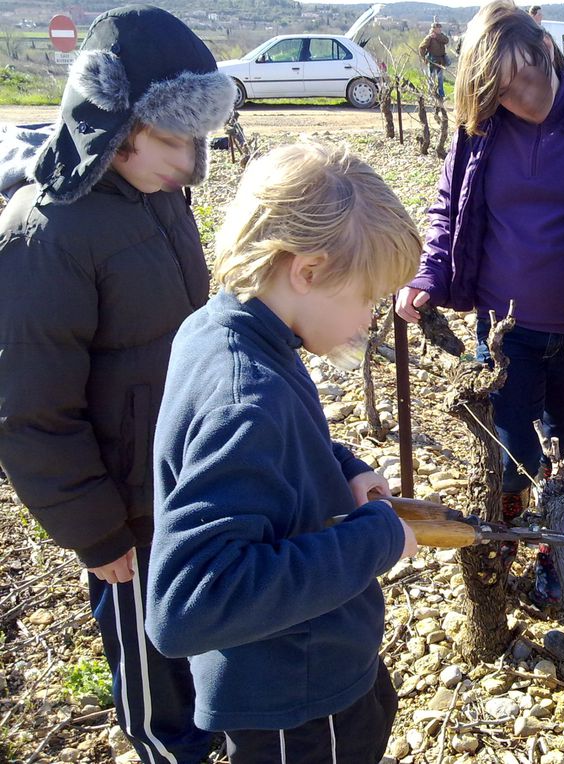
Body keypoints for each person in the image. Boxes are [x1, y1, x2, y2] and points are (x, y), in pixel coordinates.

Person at [0, 6, 234, 763]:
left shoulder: (161, 196)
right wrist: (95, 532)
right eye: (176, 138)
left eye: (199, 140)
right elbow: (29, 410)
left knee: (199, 647)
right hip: (124, 516)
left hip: (184, 485)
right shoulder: (46, 231)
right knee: (155, 684)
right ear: (115, 122)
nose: (192, 161)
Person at [145, 141, 421, 763]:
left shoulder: (223, 328)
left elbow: (270, 458)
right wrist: (375, 540)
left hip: (294, 673)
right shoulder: (249, 398)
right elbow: (186, 603)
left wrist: (340, 468)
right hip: (296, 707)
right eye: (369, 297)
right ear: (310, 270)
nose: (371, 318)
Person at [395, 0, 564, 608]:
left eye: (526, 78)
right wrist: (428, 274)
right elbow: (450, 206)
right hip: (506, 326)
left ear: (548, 51)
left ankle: (554, 550)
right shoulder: (484, 126)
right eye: (503, 90)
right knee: (508, 448)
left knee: (563, 446)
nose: (523, 98)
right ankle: (502, 546)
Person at [419, 21, 450, 98]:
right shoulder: (429, 38)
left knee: (440, 79)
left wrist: (437, 37)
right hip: (432, 60)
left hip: (440, 60)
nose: (440, 29)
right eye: (438, 28)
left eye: (440, 28)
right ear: (434, 29)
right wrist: (424, 58)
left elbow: (446, 40)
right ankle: (431, 94)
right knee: (431, 78)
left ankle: (441, 94)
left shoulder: (441, 36)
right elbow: (421, 47)